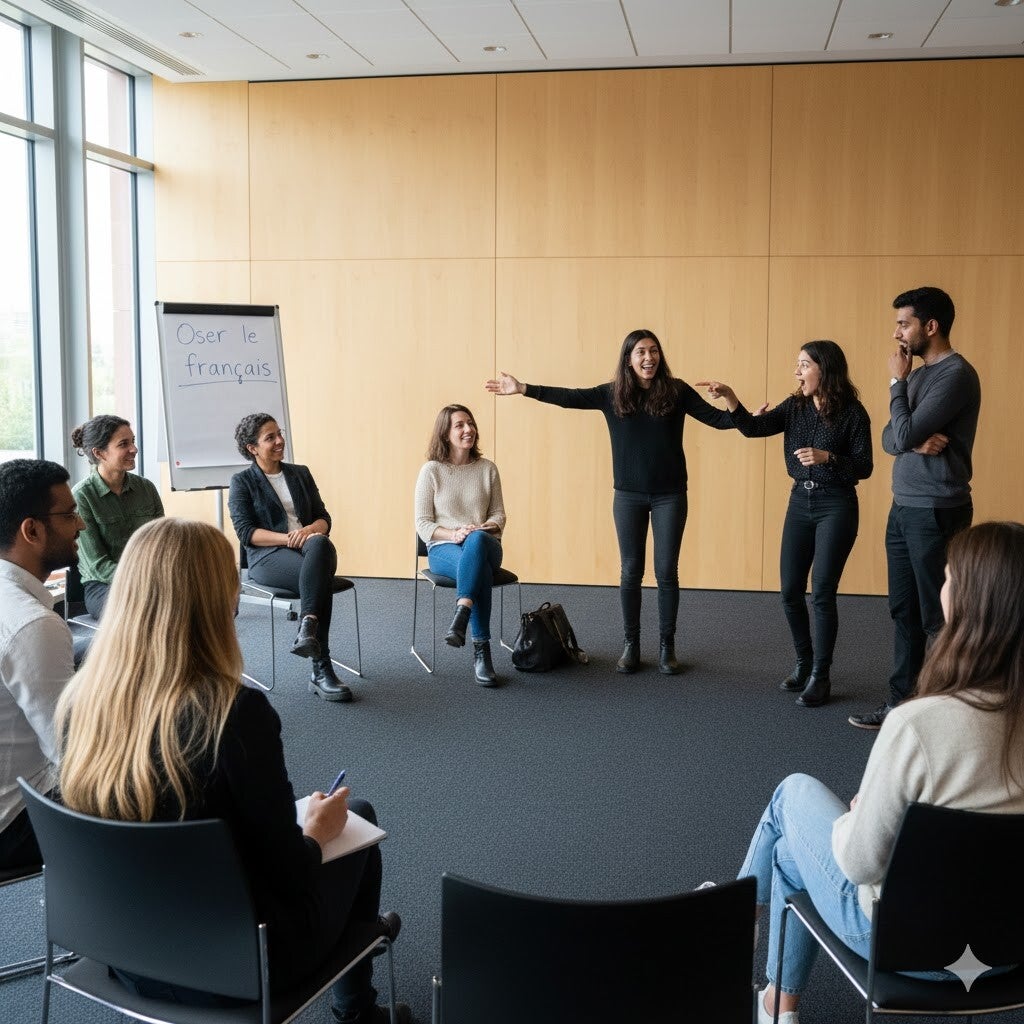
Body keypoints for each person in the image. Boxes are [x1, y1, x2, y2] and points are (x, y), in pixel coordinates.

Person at [55, 518, 409, 1023]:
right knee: (356, 819)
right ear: (218, 601)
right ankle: (358, 1003)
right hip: (239, 966)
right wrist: (315, 833)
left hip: (123, 948)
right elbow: (291, 875)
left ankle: (364, 935)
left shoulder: (82, 699)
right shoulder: (234, 714)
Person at [739, 521, 1024, 1024]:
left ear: (971, 604)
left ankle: (726, 926)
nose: (942, 589)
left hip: (906, 946)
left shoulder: (919, 724)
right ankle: (771, 1002)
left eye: (949, 578)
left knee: (792, 799)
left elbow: (857, 864)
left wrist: (855, 816)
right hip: (1010, 947)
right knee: (788, 853)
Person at [486, 328, 734, 675]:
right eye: (641, 352)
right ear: (628, 359)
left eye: (654, 351)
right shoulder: (612, 394)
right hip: (628, 496)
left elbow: (720, 420)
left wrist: (733, 401)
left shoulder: (676, 391)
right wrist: (524, 388)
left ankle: (667, 647)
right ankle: (631, 644)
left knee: (666, 573)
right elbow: (570, 396)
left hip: (670, 495)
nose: (649, 358)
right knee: (631, 571)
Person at [697, 341, 873, 708]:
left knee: (822, 592)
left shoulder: (854, 413)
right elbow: (752, 428)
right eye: (797, 365)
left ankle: (820, 676)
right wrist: (731, 397)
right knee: (790, 591)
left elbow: (865, 466)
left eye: (804, 365)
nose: (797, 372)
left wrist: (828, 458)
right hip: (800, 502)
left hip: (836, 504)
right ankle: (803, 662)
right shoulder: (794, 407)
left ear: (824, 369)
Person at [849, 287, 981, 730]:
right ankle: (899, 705)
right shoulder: (920, 377)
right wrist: (910, 435)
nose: (896, 333)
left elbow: (900, 435)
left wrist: (896, 386)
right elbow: (891, 438)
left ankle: (943, 715)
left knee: (936, 616)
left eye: (903, 323)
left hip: (936, 508)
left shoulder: (954, 375)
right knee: (902, 610)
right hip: (904, 506)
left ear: (931, 326)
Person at [228, 413, 350, 703]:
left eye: (279, 434)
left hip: (310, 550)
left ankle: (308, 624)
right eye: (270, 437)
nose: (280, 441)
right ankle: (321, 669)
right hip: (267, 556)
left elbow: (324, 518)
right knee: (318, 579)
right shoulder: (242, 482)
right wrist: (288, 538)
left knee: (320, 546)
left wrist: (308, 531)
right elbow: (246, 533)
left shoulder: (300, 473)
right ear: (252, 448)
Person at [0, 459, 81, 870]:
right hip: (13, 823)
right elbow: (73, 756)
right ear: (31, 530)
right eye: (68, 515)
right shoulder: (32, 625)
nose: (80, 524)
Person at [414, 404, 507, 687]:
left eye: (471, 423)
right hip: (444, 549)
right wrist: (454, 534)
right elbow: (423, 524)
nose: (469, 430)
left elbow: (499, 515)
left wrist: (480, 528)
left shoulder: (487, 469)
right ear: (445, 433)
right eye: (460, 425)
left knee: (477, 541)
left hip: (485, 544)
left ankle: (462, 609)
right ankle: (482, 652)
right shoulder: (431, 471)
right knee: (480, 574)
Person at [70, 414, 164, 619]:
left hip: (150, 578)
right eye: (124, 444)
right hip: (103, 586)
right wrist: (144, 580)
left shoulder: (146, 488)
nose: (134, 449)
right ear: (99, 453)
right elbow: (97, 565)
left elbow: (162, 543)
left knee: (203, 597)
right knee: (148, 612)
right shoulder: (82, 496)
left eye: (133, 441)